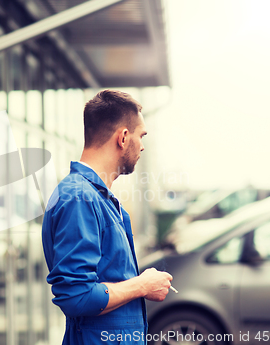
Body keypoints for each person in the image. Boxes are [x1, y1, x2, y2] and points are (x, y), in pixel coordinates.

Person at [41, 90, 173, 344]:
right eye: (141, 135)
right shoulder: (79, 198)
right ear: (123, 137)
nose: (143, 145)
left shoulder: (97, 198)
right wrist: (142, 285)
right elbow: (77, 296)